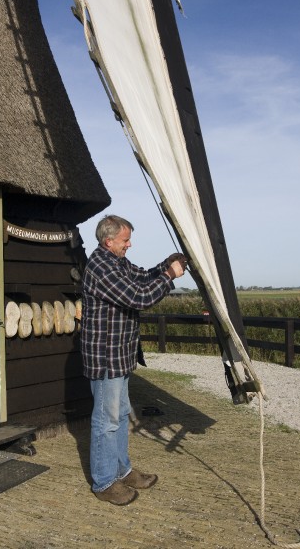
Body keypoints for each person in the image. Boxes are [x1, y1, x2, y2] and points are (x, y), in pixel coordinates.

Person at [81, 214, 186, 506]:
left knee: (120, 415)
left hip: (120, 355)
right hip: (106, 358)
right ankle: (104, 482)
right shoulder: (101, 267)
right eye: (126, 240)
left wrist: (164, 266)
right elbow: (139, 297)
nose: (130, 244)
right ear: (109, 240)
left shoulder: (117, 262)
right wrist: (169, 276)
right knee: (106, 421)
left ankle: (122, 471)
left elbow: (141, 277)